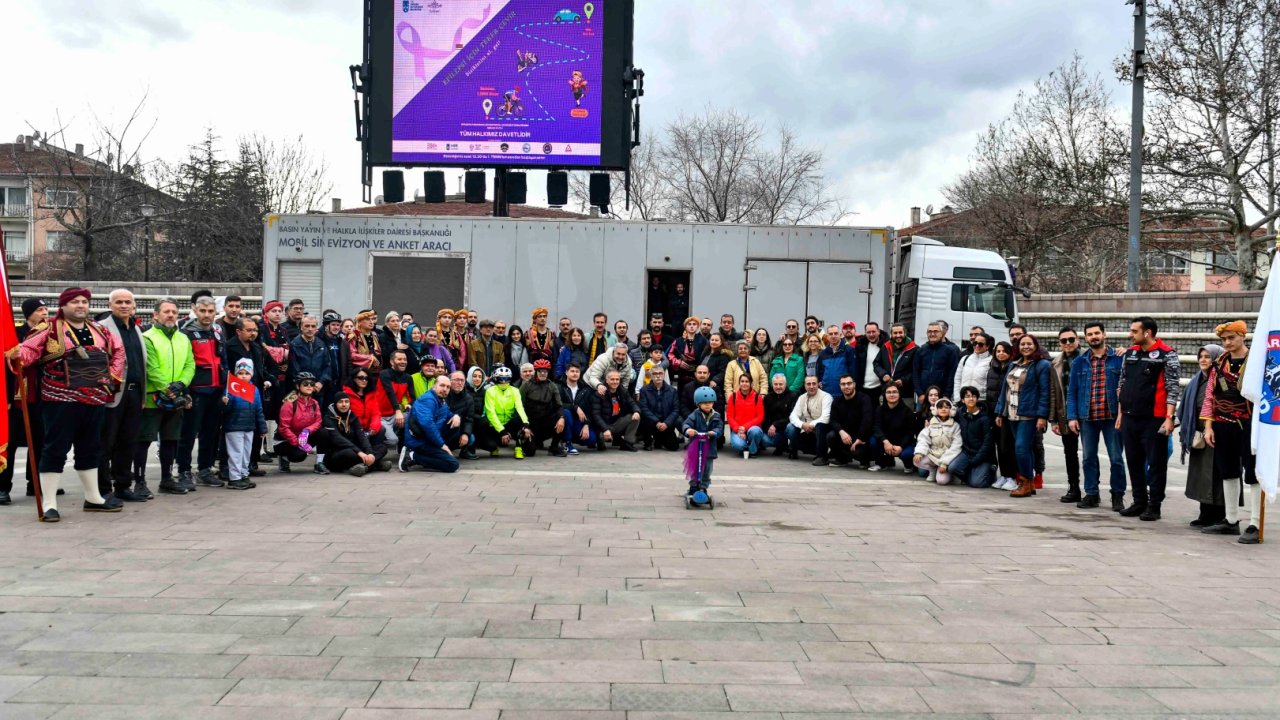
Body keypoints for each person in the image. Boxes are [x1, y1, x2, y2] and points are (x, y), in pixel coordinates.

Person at [16, 288, 126, 522]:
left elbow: (118, 352)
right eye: (75, 301)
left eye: (84, 301)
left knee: (91, 447)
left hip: (94, 398)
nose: (80, 305)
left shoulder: (101, 329)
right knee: (55, 448)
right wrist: (18, 354)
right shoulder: (48, 329)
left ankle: (93, 497)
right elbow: (29, 349)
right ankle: (49, 503)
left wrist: (111, 378)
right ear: (63, 305)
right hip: (59, 399)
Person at [1116, 316, 1180, 521]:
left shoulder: (1167, 354)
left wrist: (1169, 417)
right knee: (1133, 462)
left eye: (1134, 331)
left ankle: (1154, 506)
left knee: (1156, 464)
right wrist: (1120, 414)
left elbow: (1172, 388)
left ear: (1148, 333)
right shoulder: (1131, 353)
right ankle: (1139, 501)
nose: (1130, 335)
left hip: (1154, 418)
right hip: (1129, 416)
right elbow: (1122, 383)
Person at [1201, 321, 1258, 542]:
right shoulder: (1219, 364)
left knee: (1253, 472)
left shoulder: (1257, 361)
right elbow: (1210, 396)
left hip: (1249, 423)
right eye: (1224, 339)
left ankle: (1255, 523)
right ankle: (1231, 520)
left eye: (1231, 338)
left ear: (1243, 336)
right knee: (1228, 471)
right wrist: (1208, 426)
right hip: (1223, 423)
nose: (1227, 343)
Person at [1066, 322, 1126, 511]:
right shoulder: (1079, 362)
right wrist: (1072, 417)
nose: (1094, 337)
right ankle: (1091, 494)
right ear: (1085, 338)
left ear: (1104, 334)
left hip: (1112, 417)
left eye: (1097, 333)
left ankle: (1117, 495)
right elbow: (1072, 391)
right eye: (1090, 334)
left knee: (1116, 458)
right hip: (1087, 417)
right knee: (1088, 458)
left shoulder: (1119, 358)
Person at [139, 299, 196, 494]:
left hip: (176, 397)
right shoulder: (147, 337)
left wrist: (182, 383)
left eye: (174, 312)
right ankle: (140, 482)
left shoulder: (183, 338)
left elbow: (190, 364)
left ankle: (167, 479)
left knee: (171, 439)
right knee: (144, 440)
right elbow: (151, 369)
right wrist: (170, 390)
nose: (171, 315)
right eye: (166, 311)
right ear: (156, 315)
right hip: (153, 398)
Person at [98, 290, 148, 503]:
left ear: (134, 305)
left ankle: (123, 486)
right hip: (112, 394)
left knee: (128, 442)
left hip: (135, 393)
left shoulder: (136, 328)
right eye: (119, 302)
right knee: (106, 444)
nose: (124, 305)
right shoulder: (101, 328)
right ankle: (102, 490)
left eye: (128, 302)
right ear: (110, 305)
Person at [0, 298, 49, 505]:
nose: (44, 313)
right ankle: (3, 487)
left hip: (41, 395)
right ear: (29, 314)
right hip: (15, 398)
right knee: (10, 443)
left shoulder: (49, 334)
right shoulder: (14, 334)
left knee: (40, 442)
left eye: (46, 309)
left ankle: (35, 484)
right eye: (39, 309)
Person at [180, 295, 232, 489]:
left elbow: (224, 360)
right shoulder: (185, 333)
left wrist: (226, 387)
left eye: (211, 311)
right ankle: (183, 471)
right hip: (195, 391)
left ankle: (205, 470)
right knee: (188, 434)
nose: (207, 315)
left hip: (216, 390)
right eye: (203, 311)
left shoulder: (218, 331)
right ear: (194, 309)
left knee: (210, 434)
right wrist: (185, 391)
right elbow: (183, 364)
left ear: (216, 312)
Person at [995, 334, 1052, 498]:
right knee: (1024, 448)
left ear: (1036, 346)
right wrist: (1000, 412)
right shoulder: (1014, 364)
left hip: (1029, 414)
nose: (1026, 347)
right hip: (1012, 413)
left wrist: (1042, 416)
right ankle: (1030, 483)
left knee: (1020, 448)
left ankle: (1025, 482)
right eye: (1022, 344)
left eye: (1029, 344)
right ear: (1018, 347)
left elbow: (1045, 392)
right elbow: (1004, 390)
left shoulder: (1042, 365)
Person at [1180, 345, 1223, 528]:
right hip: (1198, 433)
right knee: (1201, 475)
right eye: (1201, 356)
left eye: (1207, 356)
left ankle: (1219, 516)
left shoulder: (1221, 379)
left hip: (1216, 432)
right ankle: (1205, 514)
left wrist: (1209, 426)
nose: (1203, 360)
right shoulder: (1196, 380)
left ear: (1216, 359)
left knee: (1216, 474)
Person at [221, 359, 268, 488]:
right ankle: (234, 478)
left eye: (247, 373)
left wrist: (262, 427)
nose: (243, 376)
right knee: (236, 453)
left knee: (246, 453)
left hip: (249, 426)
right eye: (240, 373)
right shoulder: (230, 388)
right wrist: (225, 402)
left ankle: (243, 474)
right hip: (234, 426)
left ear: (251, 375)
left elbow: (258, 409)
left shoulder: (254, 389)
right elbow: (224, 410)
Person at [1050, 327, 1083, 503]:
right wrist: (1053, 419)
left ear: (1078, 340)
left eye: (1071, 339)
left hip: (1087, 412)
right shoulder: (1056, 362)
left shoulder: (1087, 357)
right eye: (1064, 341)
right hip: (1065, 413)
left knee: (1090, 454)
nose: (1068, 343)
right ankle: (1074, 488)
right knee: (1070, 453)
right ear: (1060, 343)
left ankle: (1093, 491)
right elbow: (1053, 392)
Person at [403, 376, 461, 473]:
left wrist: (456, 416)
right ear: (434, 386)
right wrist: (442, 445)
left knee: (455, 425)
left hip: (429, 440)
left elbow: (448, 414)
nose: (445, 389)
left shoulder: (441, 401)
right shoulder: (428, 400)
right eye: (442, 385)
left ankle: (423, 456)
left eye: (448, 387)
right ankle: (412, 456)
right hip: (418, 442)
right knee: (452, 464)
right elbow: (427, 424)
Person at [315, 390, 381, 477]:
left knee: (382, 448)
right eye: (340, 402)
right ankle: (376, 465)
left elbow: (361, 436)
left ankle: (363, 466)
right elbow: (338, 439)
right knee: (349, 453)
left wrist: (369, 453)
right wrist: (359, 452)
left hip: (354, 450)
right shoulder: (328, 418)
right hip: (336, 454)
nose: (344, 405)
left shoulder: (352, 416)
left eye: (346, 402)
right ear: (335, 404)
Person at [477, 366, 530, 458]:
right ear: (496, 379)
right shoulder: (490, 391)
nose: (504, 381)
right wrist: (502, 431)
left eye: (506, 379)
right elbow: (490, 413)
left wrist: (526, 424)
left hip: (509, 422)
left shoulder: (515, 391)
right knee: (491, 444)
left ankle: (518, 448)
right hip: (495, 425)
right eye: (501, 379)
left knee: (519, 419)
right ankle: (495, 447)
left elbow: (520, 408)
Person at [275, 372, 323, 472]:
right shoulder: (289, 403)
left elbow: (318, 421)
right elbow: (284, 428)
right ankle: (284, 458)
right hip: (286, 440)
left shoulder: (314, 403)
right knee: (299, 456)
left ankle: (320, 463)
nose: (309, 386)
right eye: (305, 383)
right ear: (298, 386)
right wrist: (298, 443)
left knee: (324, 433)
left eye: (312, 384)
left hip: (304, 436)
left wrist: (307, 430)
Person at [951, 386, 995, 487]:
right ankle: (973, 476)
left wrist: (976, 460)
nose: (971, 399)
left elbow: (988, 443)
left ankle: (990, 474)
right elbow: (944, 413)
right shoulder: (960, 413)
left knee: (976, 483)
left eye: (974, 396)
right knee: (952, 468)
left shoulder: (985, 418)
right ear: (962, 400)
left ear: (977, 399)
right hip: (967, 452)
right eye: (967, 396)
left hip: (983, 456)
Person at [826, 374, 873, 468]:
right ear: (840, 386)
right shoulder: (837, 401)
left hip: (861, 438)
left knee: (858, 453)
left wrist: (860, 438)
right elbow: (833, 420)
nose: (846, 386)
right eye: (843, 384)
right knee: (831, 436)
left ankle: (864, 461)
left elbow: (867, 420)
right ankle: (842, 459)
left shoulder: (864, 399)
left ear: (854, 384)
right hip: (846, 436)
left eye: (849, 383)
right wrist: (841, 432)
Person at [521, 359, 566, 456]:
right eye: (540, 371)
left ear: (548, 372)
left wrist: (561, 418)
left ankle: (554, 447)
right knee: (530, 452)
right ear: (536, 372)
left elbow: (559, 405)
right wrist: (525, 426)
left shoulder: (552, 386)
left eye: (545, 371)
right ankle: (527, 441)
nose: (542, 373)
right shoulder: (526, 385)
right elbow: (520, 407)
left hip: (545, 422)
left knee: (562, 419)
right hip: (530, 423)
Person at [682, 386, 722, 496]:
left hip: (710, 448)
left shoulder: (716, 416)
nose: (708, 405)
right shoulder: (695, 415)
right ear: (698, 404)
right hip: (696, 447)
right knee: (696, 468)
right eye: (704, 403)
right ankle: (693, 487)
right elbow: (686, 424)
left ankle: (703, 487)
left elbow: (719, 428)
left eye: (710, 402)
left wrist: (714, 432)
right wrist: (688, 430)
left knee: (707, 470)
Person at [913, 397, 962, 484]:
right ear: (936, 410)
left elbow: (956, 446)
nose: (943, 409)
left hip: (947, 457)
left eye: (946, 407)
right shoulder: (931, 424)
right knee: (917, 460)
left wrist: (944, 463)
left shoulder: (955, 426)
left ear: (951, 410)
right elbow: (923, 439)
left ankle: (949, 472)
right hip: (934, 455)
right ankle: (933, 470)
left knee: (941, 481)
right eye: (940, 407)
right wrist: (920, 452)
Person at [290, 315, 335, 410]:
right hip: (301, 389)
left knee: (317, 414)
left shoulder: (321, 344)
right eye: (307, 326)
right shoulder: (294, 344)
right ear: (301, 327)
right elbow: (294, 368)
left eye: (313, 326)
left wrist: (321, 382)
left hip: (318, 389)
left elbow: (327, 365)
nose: (310, 329)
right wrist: (307, 384)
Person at [787, 375, 833, 465]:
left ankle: (821, 457)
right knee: (790, 427)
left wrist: (811, 424)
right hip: (806, 430)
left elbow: (826, 418)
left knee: (820, 425)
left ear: (818, 384)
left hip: (821, 431)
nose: (811, 386)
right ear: (805, 386)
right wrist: (802, 425)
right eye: (808, 384)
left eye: (814, 384)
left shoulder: (826, 397)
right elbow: (793, 416)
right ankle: (793, 450)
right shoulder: (801, 398)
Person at [591, 370, 641, 451]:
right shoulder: (599, 393)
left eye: (617, 379)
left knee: (635, 417)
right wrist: (605, 429)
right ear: (607, 380)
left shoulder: (622, 390)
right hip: (603, 425)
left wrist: (636, 411)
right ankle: (601, 439)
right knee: (600, 439)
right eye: (612, 379)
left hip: (616, 423)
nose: (615, 382)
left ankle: (627, 443)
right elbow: (596, 415)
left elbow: (632, 402)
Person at [913, 322, 960, 406]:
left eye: (935, 331)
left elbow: (952, 374)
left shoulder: (950, 351)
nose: (932, 334)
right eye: (930, 331)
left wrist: (947, 394)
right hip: (924, 396)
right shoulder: (920, 351)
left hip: (942, 396)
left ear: (941, 333)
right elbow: (915, 373)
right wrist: (919, 393)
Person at [873, 384, 918, 473]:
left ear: (899, 394)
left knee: (907, 454)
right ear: (884, 395)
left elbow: (910, 432)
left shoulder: (907, 411)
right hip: (886, 441)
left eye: (894, 392)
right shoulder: (880, 409)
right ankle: (882, 463)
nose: (892, 395)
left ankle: (909, 466)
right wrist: (885, 441)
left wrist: (901, 447)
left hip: (903, 443)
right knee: (873, 441)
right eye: (888, 392)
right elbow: (876, 427)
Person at [638, 367, 681, 451]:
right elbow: (644, 408)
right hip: (651, 422)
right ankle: (648, 441)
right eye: (655, 374)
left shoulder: (672, 391)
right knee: (643, 418)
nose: (658, 376)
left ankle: (659, 439)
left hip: (665, 423)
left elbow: (676, 410)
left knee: (674, 446)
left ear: (664, 375)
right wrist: (656, 421)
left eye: (660, 373)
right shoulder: (644, 390)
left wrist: (666, 423)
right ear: (651, 376)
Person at [725, 373, 766, 458]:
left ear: (751, 383)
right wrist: (738, 429)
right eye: (742, 381)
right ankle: (749, 446)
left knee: (755, 432)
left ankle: (753, 450)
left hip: (752, 428)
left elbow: (760, 416)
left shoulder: (757, 397)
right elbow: (729, 416)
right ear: (739, 383)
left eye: (747, 381)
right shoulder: (733, 397)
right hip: (738, 429)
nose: (744, 383)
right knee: (738, 445)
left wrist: (745, 427)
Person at [559, 363, 596, 455]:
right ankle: (567, 443)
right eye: (572, 371)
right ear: (566, 372)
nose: (575, 374)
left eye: (577, 371)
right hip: (561, 419)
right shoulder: (559, 386)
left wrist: (586, 424)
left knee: (591, 439)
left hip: (577, 421)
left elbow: (589, 409)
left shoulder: (585, 389)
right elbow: (557, 405)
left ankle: (567, 438)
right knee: (566, 412)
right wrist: (575, 407)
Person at [816, 325, 857, 398]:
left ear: (840, 335)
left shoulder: (849, 350)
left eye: (836, 333)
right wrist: (820, 382)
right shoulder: (823, 353)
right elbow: (820, 371)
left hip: (843, 394)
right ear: (827, 336)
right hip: (826, 394)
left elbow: (853, 371)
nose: (833, 336)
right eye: (830, 334)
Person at [667, 317, 709, 389]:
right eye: (689, 324)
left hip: (699, 373)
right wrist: (678, 363)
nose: (692, 326)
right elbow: (670, 354)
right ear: (685, 327)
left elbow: (708, 355)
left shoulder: (703, 340)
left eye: (694, 324)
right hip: (682, 373)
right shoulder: (678, 340)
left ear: (698, 327)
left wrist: (702, 367)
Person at [762, 373, 797, 456]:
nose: (778, 387)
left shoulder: (793, 396)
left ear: (785, 384)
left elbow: (792, 417)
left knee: (791, 428)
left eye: (781, 384)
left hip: (786, 427)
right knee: (764, 440)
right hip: (774, 431)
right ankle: (780, 445)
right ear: (772, 385)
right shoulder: (768, 397)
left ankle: (793, 448)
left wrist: (775, 425)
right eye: (775, 384)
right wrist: (769, 428)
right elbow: (765, 417)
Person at [883, 323, 918, 409]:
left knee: (906, 416)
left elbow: (916, 370)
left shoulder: (914, 348)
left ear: (905, 333)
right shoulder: (886, 346)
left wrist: (904, 380)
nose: (898, 335)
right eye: (895, 333)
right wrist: (883, 374)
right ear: (891, 334)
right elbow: (876, 363)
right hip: (888, 392)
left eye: (900, 332)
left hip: (906, 393)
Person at [444, 371, 476, 459]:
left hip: (457, 429)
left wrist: (465, 434)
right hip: (442, 428)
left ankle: (464, 451)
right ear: (450, 381)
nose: (460, 383)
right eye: (457, 380)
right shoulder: (443, 394)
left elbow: (469, 419)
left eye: (462, 380)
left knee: (471, 438)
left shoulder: (468, 398)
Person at [952, 333, 992, 402]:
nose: (977, 346)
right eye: (975, 343)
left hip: (980, 401)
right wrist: (957, 398)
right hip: (963, 400)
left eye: (980, 344)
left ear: (987, 346)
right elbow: (957, 379)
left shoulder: (991, 361)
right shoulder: (965, 359)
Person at [857, 322, 888, 408]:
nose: (871, 334)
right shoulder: (861, 345)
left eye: (873, 331)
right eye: (868, 332)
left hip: (880, 388)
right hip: (863, 388)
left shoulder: (886, 345)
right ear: (865, 333)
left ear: (879, 332)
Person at [348, 309, 383, 374]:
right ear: (359, 322)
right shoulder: (354, 336)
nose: (371, 322)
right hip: (359, 372)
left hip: (375, 371)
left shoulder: (374, 335)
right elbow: (351, 355)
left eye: (372, 319)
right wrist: (370, 358)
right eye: (367, 319)